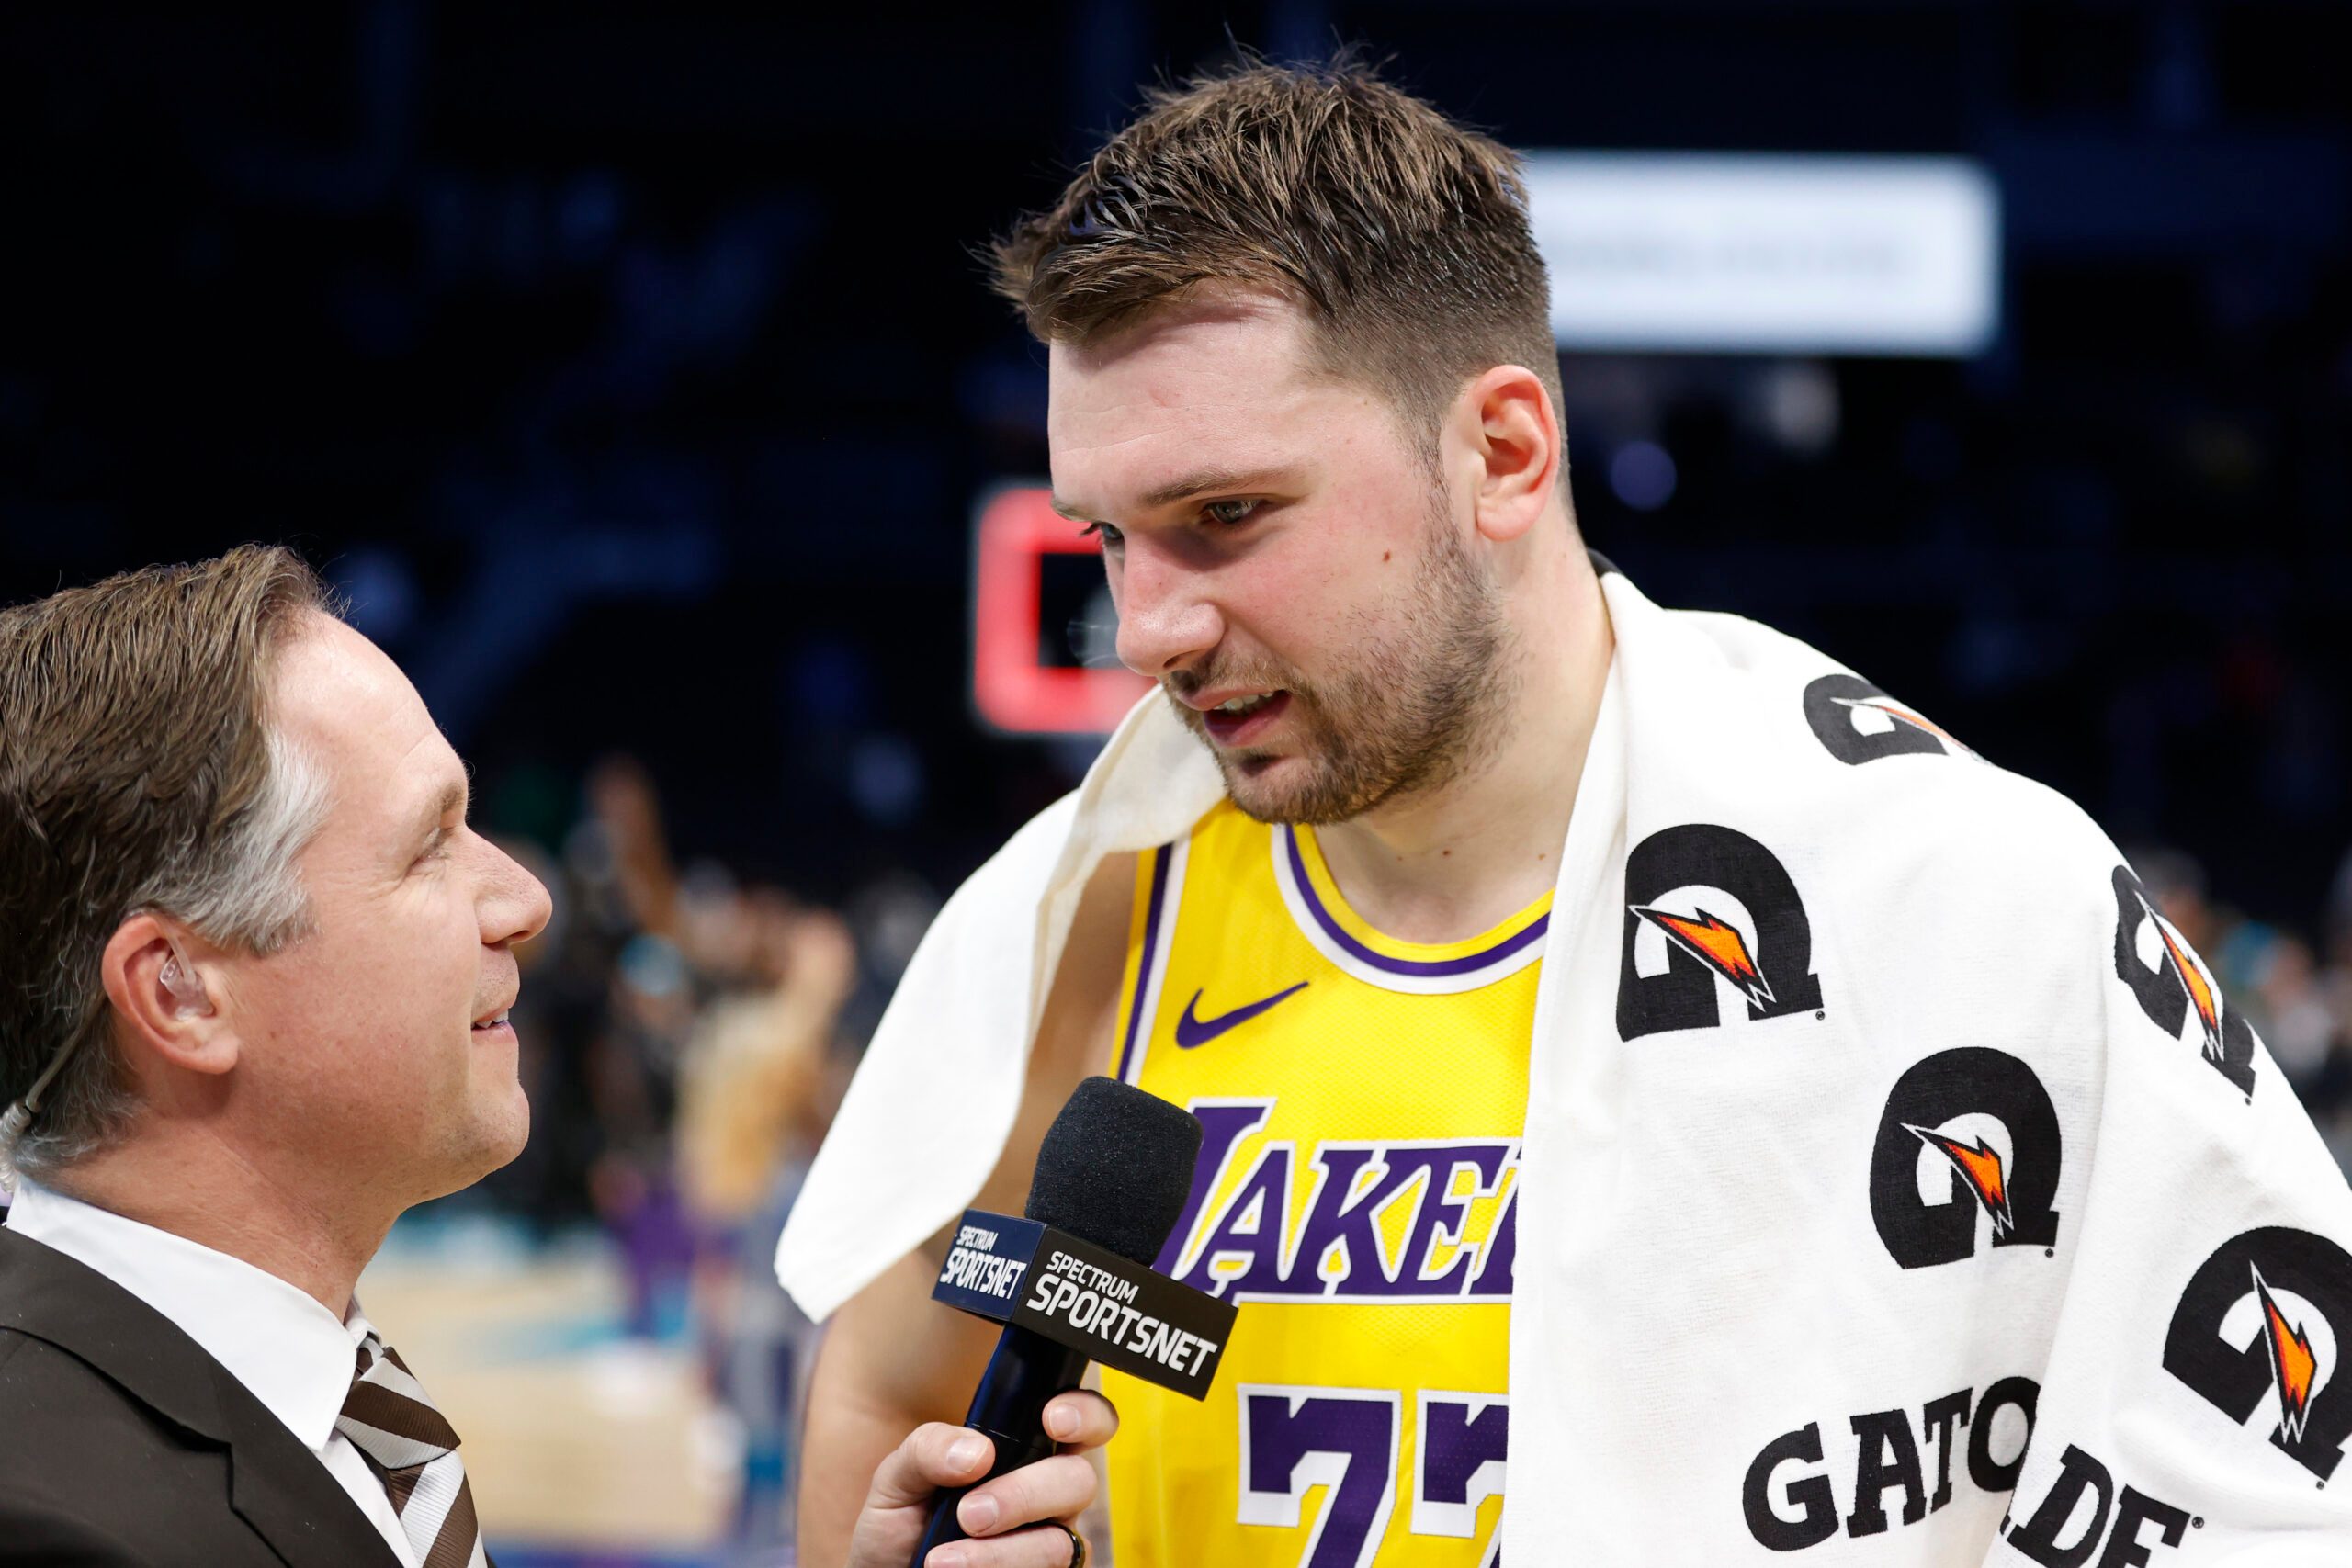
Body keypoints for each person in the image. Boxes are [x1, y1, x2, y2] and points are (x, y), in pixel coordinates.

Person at [780, 61, 2352, 1567]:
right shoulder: (1082, 911)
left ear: (1505, 451)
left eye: (1227, 517)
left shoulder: (1954, 892)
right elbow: (891, 1390)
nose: (1148, 626)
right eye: (1112, 535)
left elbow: (2278, 1486)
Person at [0, 548, 1107, 1568]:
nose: (524, 901)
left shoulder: (295, 1386)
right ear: (180, 992)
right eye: (428, 846)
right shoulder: (57, 1519)